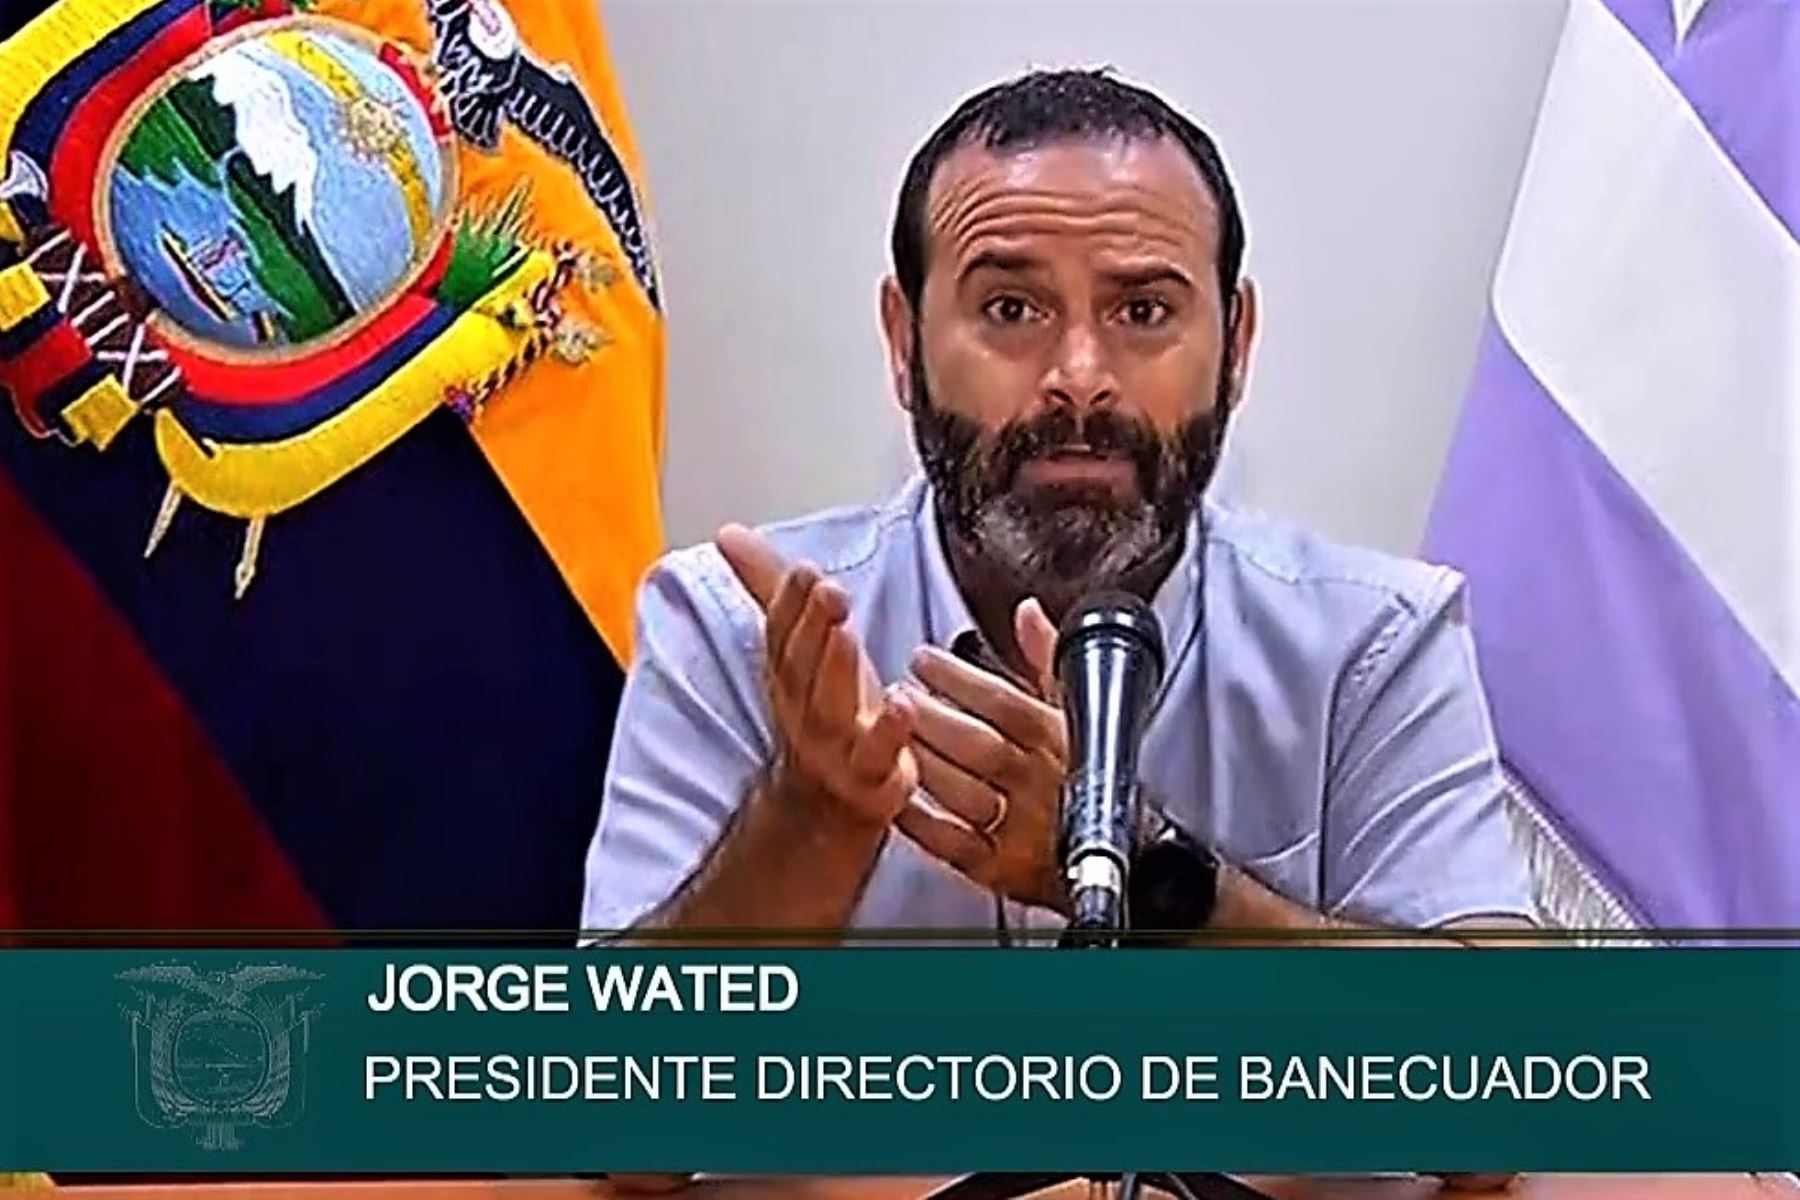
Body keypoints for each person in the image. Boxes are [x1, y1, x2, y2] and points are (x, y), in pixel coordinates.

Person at [580, 67, 1538, 948]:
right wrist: (809, 813)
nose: (1079, 377)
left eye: (1143, 311)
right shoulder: (741, 630)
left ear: (1236, 344)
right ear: (905, 342)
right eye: (1011, 310)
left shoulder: (1372, 646)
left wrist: (1154, 870)